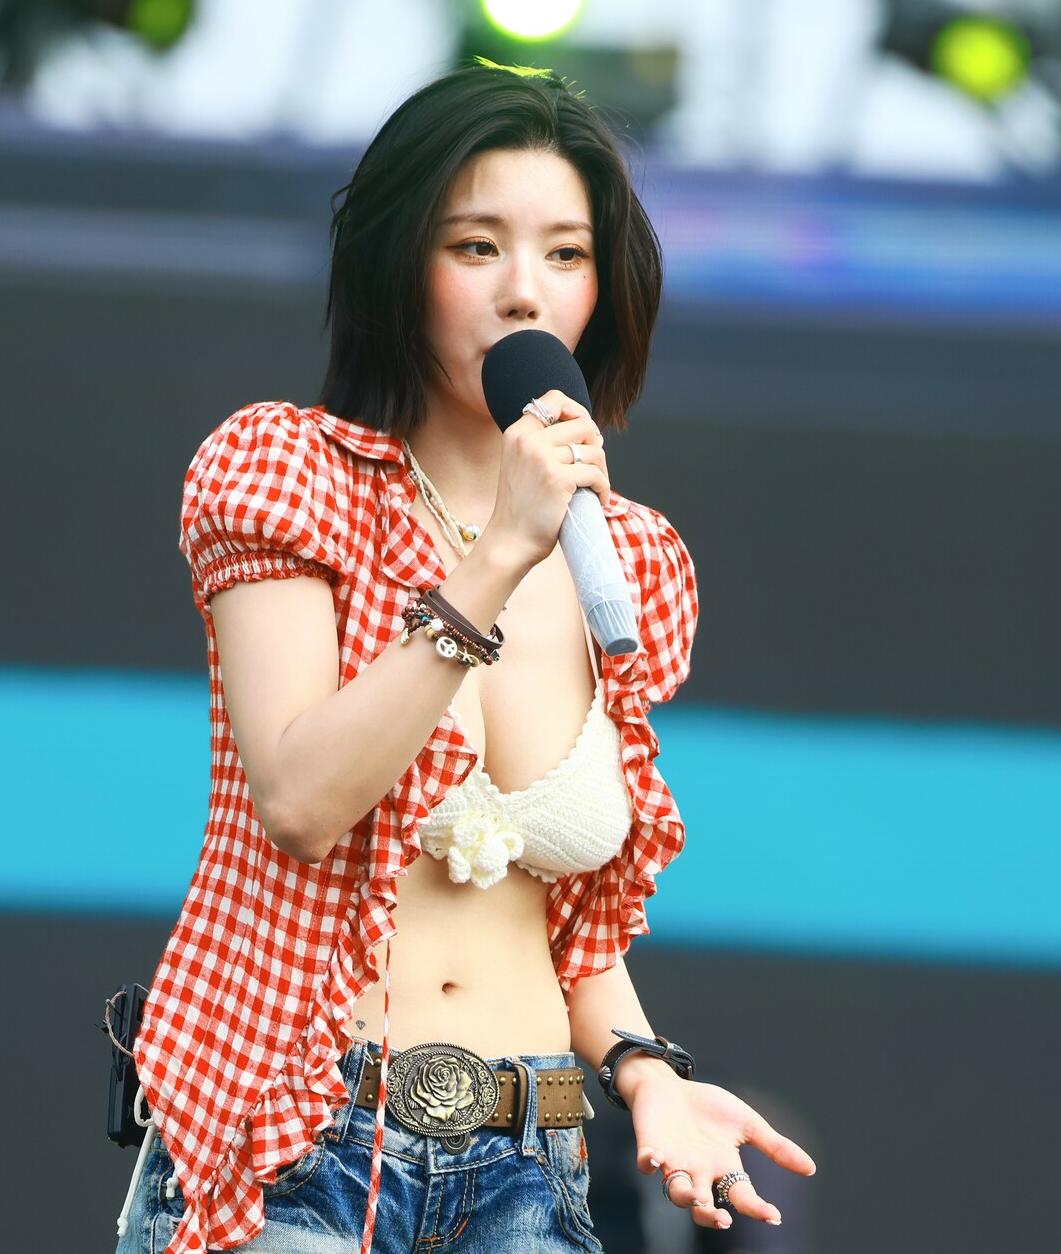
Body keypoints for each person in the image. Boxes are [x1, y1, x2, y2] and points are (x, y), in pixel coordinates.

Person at [114, 60, 817, 1254]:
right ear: (402, 265)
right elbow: (301, 800)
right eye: (477, 246)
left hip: (527, 1159)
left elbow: (572, 923)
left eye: (566, 254)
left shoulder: (631, 559)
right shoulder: (287, 473)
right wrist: (496, 556)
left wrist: (650, 1074)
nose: (523, 290)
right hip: (300, 1135)